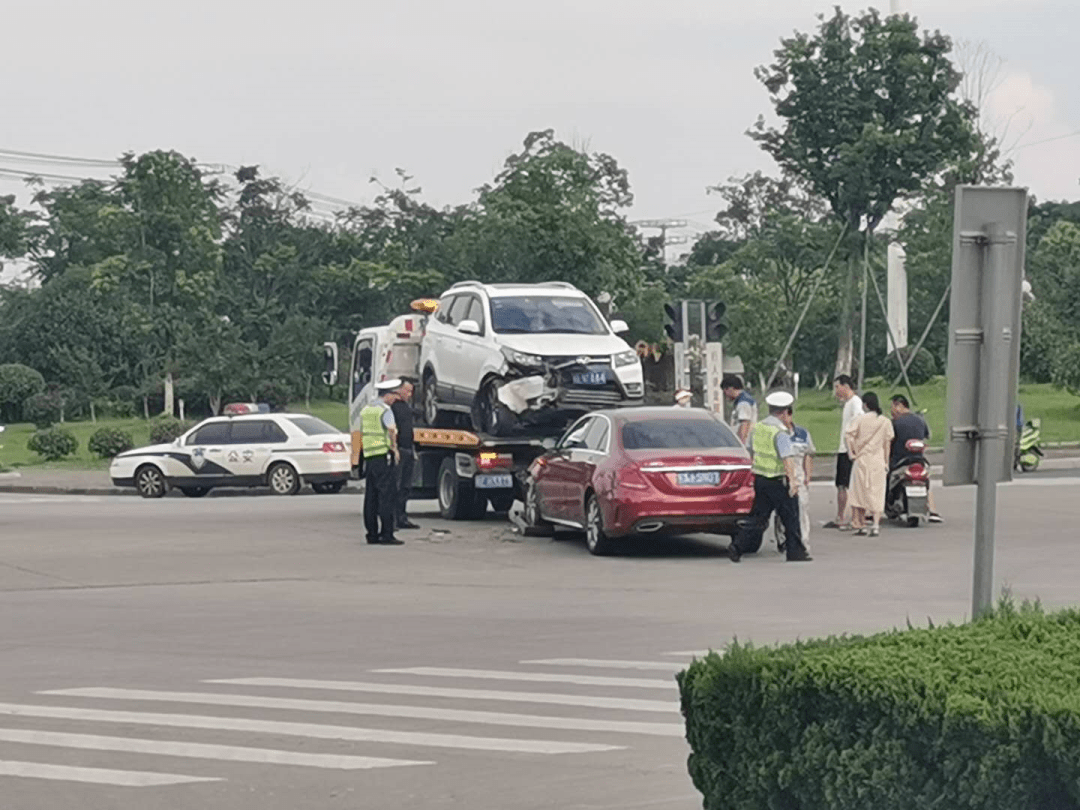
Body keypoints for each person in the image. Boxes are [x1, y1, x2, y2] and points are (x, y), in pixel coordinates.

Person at [728, 391, 812, 564]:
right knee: (791, 517)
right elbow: (787, 458)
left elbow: (750, 451)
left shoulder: (757, 428)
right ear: (783, 412)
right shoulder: (780, 432)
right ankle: (795, 552)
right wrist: (793, 482)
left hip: (761, 479)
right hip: (778, 479)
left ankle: (737, 546)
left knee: (757, 518)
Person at [844, 391, 894, 537]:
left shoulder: (860, 420)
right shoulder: (885, 421)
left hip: (862, 459)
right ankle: (876, 524)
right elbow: (887, 444)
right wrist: (886, 462)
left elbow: (848, 435)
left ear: (865, 405)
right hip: (878, 461)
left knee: (859, 491)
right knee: (877, 492)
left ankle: (860, 524)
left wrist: (851, 453)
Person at [361, 379, 403, 545]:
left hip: (370, 456)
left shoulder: (367, 410)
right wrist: (395, 448)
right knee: (386, 496)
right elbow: (391, 429)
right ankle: (387, 534)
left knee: (371, 496)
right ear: (387, 395)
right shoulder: (385, 410)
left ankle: (371, 534)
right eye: (394, 395)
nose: (395, 399)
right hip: (383, 456)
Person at [890, 395, 943, 523]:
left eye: (892, 407)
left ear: (900, 406)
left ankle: (876, 510)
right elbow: (926, 436)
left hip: (899, 460)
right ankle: (933, 510)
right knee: (925, 481)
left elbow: (889, 440)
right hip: (919, 460)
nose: (891, 411)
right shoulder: (920, 421)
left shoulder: (895, 423)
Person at [824, 375, 863, 530]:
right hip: (844, 448)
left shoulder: (855, 403)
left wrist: (852, 447)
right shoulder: (848, 404)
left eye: (837, 387)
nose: (836, 391)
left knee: (845, 484)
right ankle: (841, 515)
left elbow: (858, 423)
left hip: (848, 450)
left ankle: (846, 517)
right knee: (841, 484)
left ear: (846, 386)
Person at [391, 378, 420, 530]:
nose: (409, 394)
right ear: (399, 389)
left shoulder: (406, 407)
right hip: (399, 450)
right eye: (407, 391)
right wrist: (394, 449)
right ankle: (394, 519)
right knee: (396, 486)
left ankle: (402, 517)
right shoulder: (393, 407)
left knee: (405, 487)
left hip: (408, 449)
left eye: (411, 392)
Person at [788, 417, 816, 553]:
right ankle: (785, 538)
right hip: (781, 475)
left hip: (799, 475)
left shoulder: (802, 434)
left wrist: (808, 476)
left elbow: (808, 455)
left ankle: (803, 542)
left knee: (802, 508)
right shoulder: (775, 433)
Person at [721, 375, 757, 445]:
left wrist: (741, 444)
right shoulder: (741, 400)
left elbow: (744, 424)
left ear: (730, 388)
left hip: (745, 443)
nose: (726, 395)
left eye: (725, 392)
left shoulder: (743, 403)